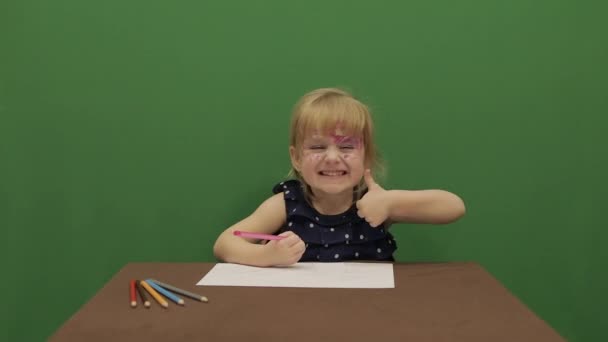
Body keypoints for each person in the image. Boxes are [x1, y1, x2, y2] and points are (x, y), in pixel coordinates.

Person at [213, 88, 465, 267]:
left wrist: (392, 202)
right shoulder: (286, 204)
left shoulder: (375, 204)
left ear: (366, 157)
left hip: (373, 312)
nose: (332, 158)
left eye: (346, 147)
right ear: (296, 158)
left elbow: (454, 207)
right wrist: (266, 257)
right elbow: (225, 243)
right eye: (317, 147)